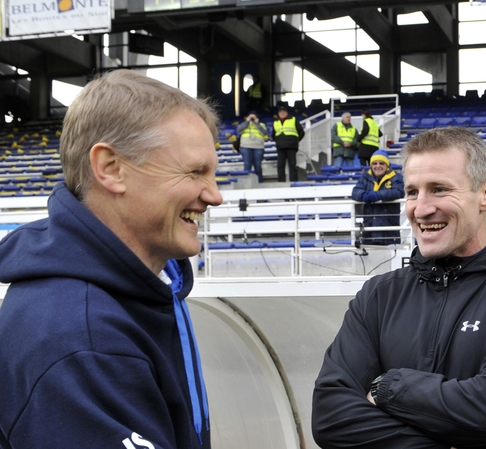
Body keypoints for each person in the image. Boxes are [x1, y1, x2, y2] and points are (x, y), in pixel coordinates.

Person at [0, 70, 223, 449]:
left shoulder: (142, 288)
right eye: (194, 172)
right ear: (111, 168)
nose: (214, 195)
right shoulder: (79, 338)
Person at [312, 127, 486, 448]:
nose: (421, 208)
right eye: (411, 192)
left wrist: (388, 387)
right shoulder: (379, 295)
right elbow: (330, 417)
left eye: (439, 189)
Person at [350, 150, 403, 245]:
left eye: (381, 163)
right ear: (371, 165)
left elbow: (399, 191)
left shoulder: (396, 177)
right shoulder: (365, 177)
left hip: (389, 231)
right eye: (374, 163)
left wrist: (378, 195)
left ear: (387, 165)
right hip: (369, 230)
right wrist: (363, 195)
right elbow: (355, 192)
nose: (378, 166)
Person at [273, 105, 305, 182]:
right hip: (280, 147)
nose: (282, 113)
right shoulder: (275, 122)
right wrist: (278, 141)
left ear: (287, 112)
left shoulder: (293, 119)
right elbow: (274, 135)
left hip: (291, 146)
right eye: (280, 112)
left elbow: (301, 132)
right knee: (280, 166)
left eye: (284, 111)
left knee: (292, 165)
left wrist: (295, 141)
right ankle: (281, 181)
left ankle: (294, 181)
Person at [236, 110, 269, 183]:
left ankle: (260, 183)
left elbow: (265, 132)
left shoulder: (261, 124)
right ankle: (247, 184)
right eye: (250, 116)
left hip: (258, 147)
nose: (252, 118)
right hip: (245, 146)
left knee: (258, 166)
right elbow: (238, 130)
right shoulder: (244, 124)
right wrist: (247, 122)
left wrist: (257, 123)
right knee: (247, 165)